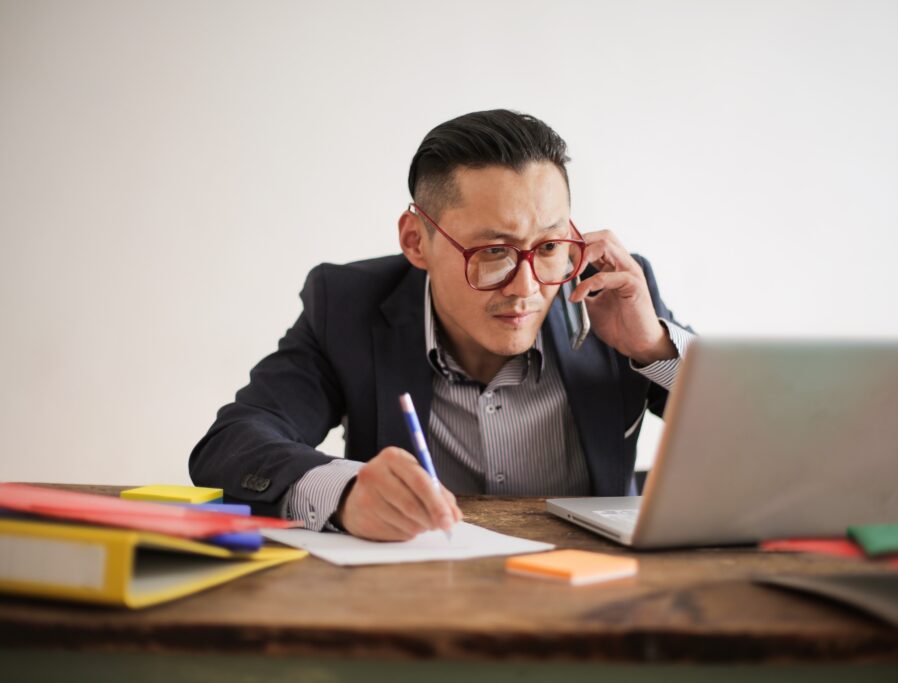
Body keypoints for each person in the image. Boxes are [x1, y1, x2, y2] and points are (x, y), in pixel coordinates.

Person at [189, 109, 695, 541]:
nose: (526, 287)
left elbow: (757, 432)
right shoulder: (348, 305)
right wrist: (344, 493)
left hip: (592, 596)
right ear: (416, 241)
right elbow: (234, 441)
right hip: (421, 597)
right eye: (493, 252)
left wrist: (653, 348)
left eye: (548, 247)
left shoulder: (610, 294)